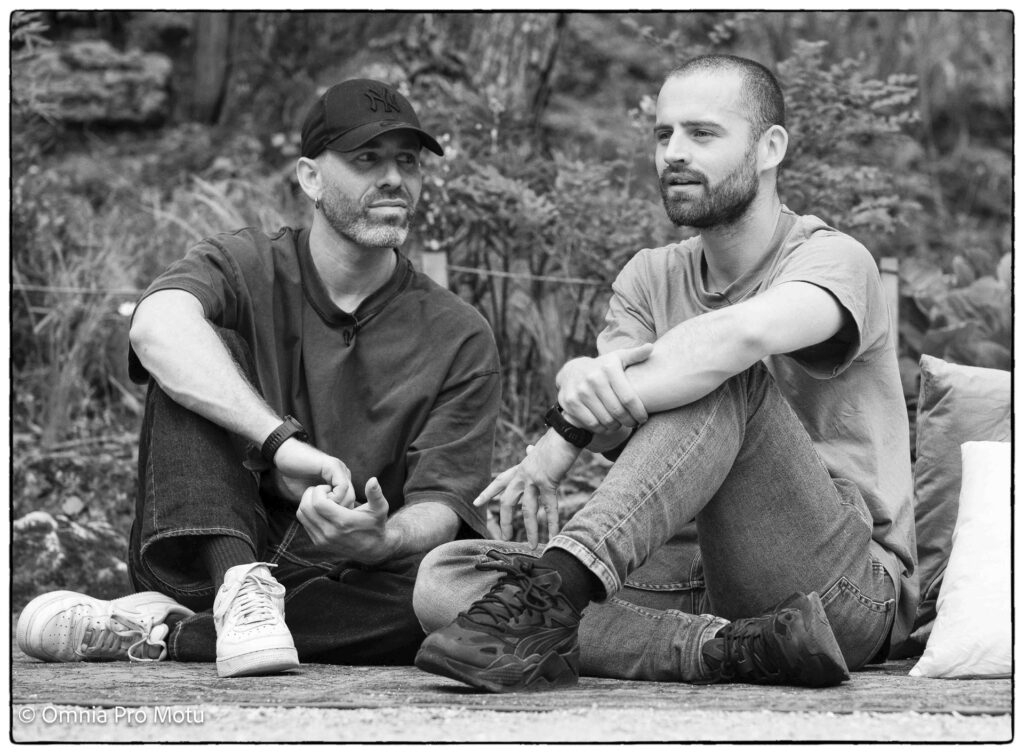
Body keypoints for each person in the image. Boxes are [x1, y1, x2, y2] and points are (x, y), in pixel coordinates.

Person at [411, 55, 917, 693]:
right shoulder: (649, 277)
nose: (674, 152)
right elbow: (611, 405)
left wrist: (559, 437)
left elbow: (739, 338)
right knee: (446, 579)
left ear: (770, 148)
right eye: (663, 135)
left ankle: (552, 596)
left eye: (702, 134)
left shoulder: (834, 258)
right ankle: (729, 650)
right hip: (689, 572)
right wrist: (579, 382)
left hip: (842, 584)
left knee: (721, 374)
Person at [16, 79, 501, 678]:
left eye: (408, 161)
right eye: (366, 159)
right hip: (204, 548)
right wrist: (281, 444)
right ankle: (238, 587)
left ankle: (164, 633)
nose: (395, 179)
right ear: (310, 177)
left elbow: (441, 505)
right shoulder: (246, 263)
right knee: (200, 347)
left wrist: (383, 540)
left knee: (461, 604)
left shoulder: (461, 333)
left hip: (346, 581)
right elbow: (155, 328)